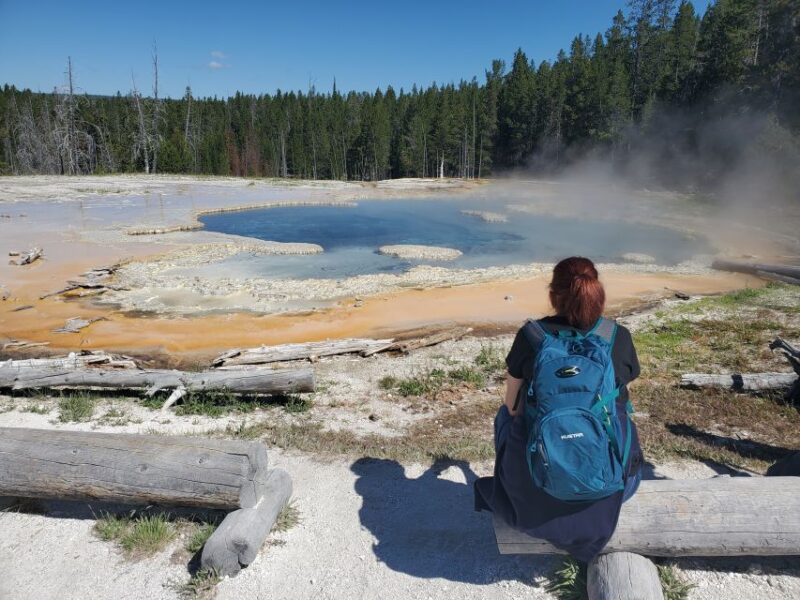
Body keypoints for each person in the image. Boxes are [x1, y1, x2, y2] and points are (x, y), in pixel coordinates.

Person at [474, 256, 643, 562]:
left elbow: (512, 407)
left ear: (553, 295)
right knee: (621, 415)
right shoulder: (617, 336)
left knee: (504, 417)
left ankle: (520, 481)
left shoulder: (531, 336)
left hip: (534, 491)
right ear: (597, 292)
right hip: (614, 488)